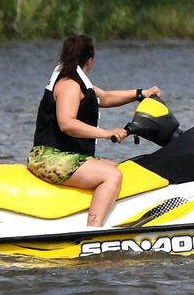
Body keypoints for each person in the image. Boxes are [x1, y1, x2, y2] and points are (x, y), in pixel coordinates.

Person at [27, 34, 162, 227]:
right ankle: (93, 230)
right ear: (89, 60)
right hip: (49, 157)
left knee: (119, 168)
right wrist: (107, 133)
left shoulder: (76, 82)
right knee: (111, 176)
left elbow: (105, 97)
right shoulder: (69, 86)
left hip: (64, 155)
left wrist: (141, 94)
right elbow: (67, 123)